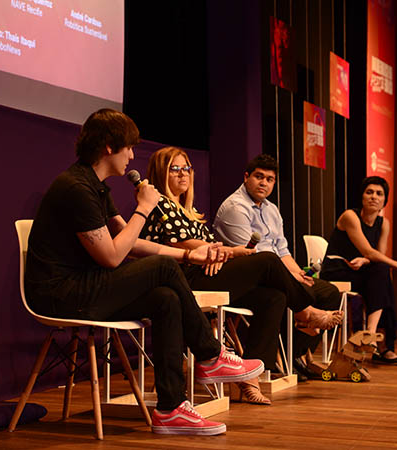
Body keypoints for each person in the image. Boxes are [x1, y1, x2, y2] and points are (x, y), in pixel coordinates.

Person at [25, 109, 264, 436]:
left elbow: (132, 242)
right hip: (61, 295)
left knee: (165, 298)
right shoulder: (76, 188)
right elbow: (111, 256)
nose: (133, 156)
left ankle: (171, 408)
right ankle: (210, 355)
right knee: (163, 271)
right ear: (109, 146)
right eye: (129, 148)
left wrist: (187, 256)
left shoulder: (96, 187)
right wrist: (144, 208)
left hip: (84, 287)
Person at [140, 146, 342, 404]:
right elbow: (179, 244)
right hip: (183, 278)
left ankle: (250, 376)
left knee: (275, 296)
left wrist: (216, 253)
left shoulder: (186, 209)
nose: (183, 174)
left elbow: (209, 245)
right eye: (175, 169)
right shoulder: (159, 204)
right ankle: (305, 312)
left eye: (187, 168)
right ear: (160, 173)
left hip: (208, 269)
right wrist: (222, 252)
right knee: (266, 260)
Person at [212, 154, 343, 378]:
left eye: (269, 179)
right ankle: (305, 317)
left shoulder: (271, 209)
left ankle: (293, 355)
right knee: (290, 293)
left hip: (276, 271)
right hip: (247, 277)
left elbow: (281, 250)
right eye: (259, 177)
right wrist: (293, 278)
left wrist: (298, 274)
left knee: (329, 292)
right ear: (246, 177)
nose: (264, 183)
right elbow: (255, 256)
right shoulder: (235, 207)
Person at [318, 176, 397, 365]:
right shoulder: (350, 216)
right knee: (382, 276)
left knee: (382, 275)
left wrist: (366, 260)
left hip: (361, 271)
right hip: (337, 270)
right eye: (369, 192)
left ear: (385, 200)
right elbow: (369, 251)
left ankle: (371, 337)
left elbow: (376, 255)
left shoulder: (384, 223)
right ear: (362, 197)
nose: (374, 197)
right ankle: (381, 345)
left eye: (379, 194)